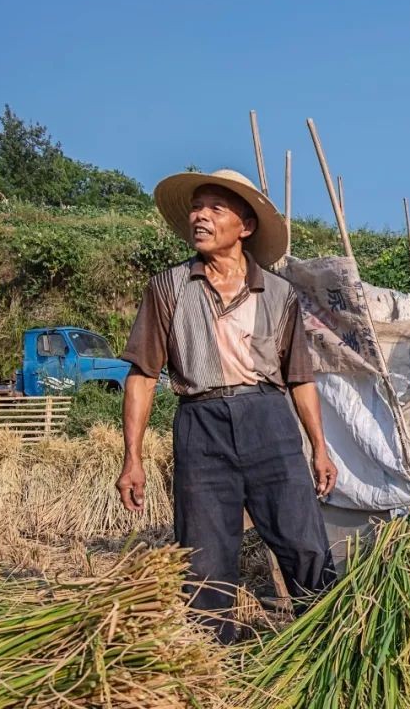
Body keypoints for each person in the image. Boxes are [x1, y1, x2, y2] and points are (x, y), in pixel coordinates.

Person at [115, 167, 338, 643]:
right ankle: (213, 661)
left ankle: (326, 646)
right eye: (197, 207)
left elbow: (300, 378)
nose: (200, 217)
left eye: (216, 208)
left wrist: (319, 447)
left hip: (269, 421)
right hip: (201, 424)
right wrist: (131, 458)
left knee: (302, 541)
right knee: (203, 554)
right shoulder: (168, 288)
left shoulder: (280, 294)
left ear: (246, 226)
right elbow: (142, 376)